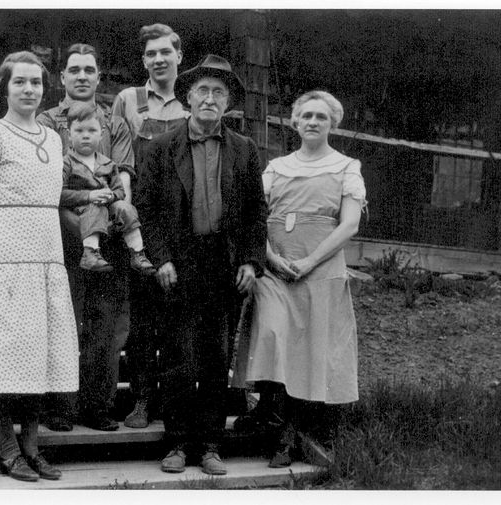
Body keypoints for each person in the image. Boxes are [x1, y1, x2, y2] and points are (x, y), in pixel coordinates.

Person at [134, 54, 268, 475]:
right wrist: (161, 259)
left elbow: (254, 212)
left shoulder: (244, 150)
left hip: (223, 264)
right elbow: (147, 208)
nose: (210, 99)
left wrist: (250, 259)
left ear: (227, 103)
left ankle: (210, 444)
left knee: (214, 358)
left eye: (219, 93)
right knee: (177, 356)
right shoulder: (160, 148)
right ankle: (176, 444)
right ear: (188, 98)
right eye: (203, 92)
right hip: (178, 262)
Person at [0, 51, 78, 482]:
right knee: (8, 348)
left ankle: (32, 444)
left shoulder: (52, 138)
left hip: (47, 251)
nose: (29, 90)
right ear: (4, 87)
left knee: (42, 349)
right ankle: (7, 445)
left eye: (35, 83)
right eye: (19, 83)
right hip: (6, 251)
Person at [235, 90, 365, 468]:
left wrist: (310, 261)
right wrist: (270, 258)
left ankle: (292, 431)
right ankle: (270, 417)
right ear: (294, 122)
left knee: (311, 347)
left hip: (320, 268)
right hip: (276, 267)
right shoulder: (277, 167)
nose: (312, 122)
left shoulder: (346, 167)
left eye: (320, 117)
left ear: (332, 124)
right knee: (273, 335)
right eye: (306, 115)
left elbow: (350, 224)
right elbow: (252, 216)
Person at [36, 43, 134, 433]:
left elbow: (123, 176)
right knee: (63, 321)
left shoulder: (115, 124)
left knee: (105, 326)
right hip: (59, 235)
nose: (81, 76)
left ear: (98, 76)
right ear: (62, 77)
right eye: (73, 70)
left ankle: (98, 407)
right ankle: (60, 408)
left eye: (88, 70)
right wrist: (76, 225)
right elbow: (44, 181)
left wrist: (116, 214)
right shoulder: (46, 120)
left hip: (107, 237)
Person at [110, 23, 191, 429]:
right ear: (143, 60)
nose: (158, 59)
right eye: (150, 54)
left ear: (179, 56)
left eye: (165, 52)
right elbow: (113, 159)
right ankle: (141, 400)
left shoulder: (191, 105)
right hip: (137, 222)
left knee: (175, 316)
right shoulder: (128, 99)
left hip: (179, 223)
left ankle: (171, 401)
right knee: (140, 320)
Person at [62, 101, 155, 274]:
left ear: (102, 133)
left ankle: (137, 253)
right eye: (79, 131)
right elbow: (59, 193)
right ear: (69, 134)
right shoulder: (66, 163)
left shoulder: (108, 163)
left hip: (107, 209)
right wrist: (89, 196)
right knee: (94, 208)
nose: (85, 136)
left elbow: (120, 191)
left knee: (125, 207)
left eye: (92, 131)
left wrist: (111, 196)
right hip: (79, 211)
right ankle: (90, 253)